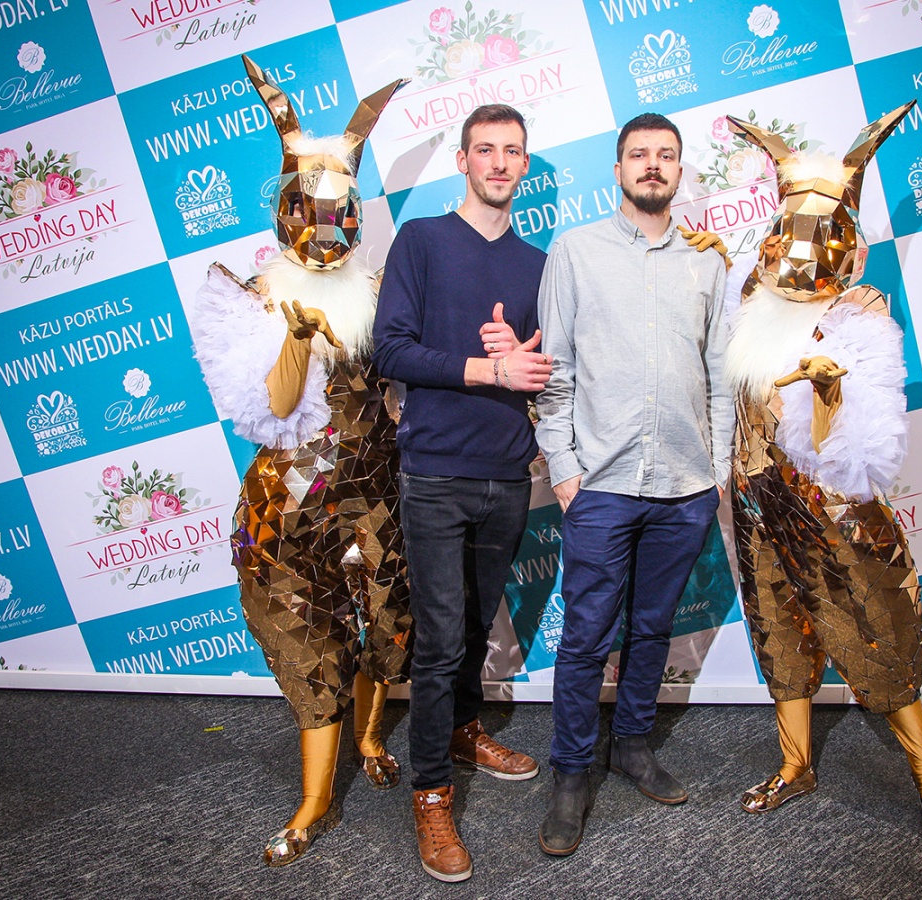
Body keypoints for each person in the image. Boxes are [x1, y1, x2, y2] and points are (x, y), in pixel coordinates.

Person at [190, 57, 412, 867]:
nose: (324, 230)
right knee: (309, 638)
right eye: (306, 212)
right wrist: (295, 336)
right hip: (290, 504)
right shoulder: (256, 297)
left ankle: (371, 737)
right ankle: (316, 799)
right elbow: (277, 407)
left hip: (376, 494)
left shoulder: (381, 292)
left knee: (389, 624)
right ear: (284, 212)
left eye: (338, 214)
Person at [722, 106, 922, 850]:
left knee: (875, 636)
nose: (800, 254)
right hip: (756, 504)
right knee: (778, 635)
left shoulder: (859, 315)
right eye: (789, 232)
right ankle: (795, 766)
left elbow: (861, 456)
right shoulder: (750, 303)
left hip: (835, 514)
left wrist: (828, 389)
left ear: (847, 245)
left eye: (820, 236)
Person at [533, 112, 733, 857]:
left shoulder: (707, 264)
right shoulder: (576, 251)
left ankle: (634, 744)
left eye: (666, 155)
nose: (653, 165)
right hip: (602, 484)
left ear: (679, 171)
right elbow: (554, 370)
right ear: (618, 170)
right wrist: (564, 468)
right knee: (586, 635)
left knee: (653, 628)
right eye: (639, 155)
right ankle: (572, 770)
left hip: (685, 484)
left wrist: (716, 473)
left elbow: (720, 376)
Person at [371, 104, 553, 883]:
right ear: (464, 160)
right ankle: (431, 793)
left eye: (513, 150)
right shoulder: (421, 240)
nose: (500, 162)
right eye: (486, 149)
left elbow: (550, 370)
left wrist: (529, 362)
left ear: (525, 164)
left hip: (508, 474)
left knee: (477, 626)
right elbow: (390, 349)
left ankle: (462, 730)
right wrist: (488, 369)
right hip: (436, 474)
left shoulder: (540, 263)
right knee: (441, 639)